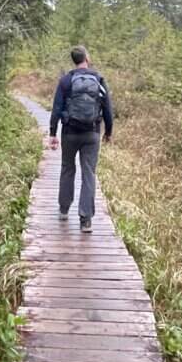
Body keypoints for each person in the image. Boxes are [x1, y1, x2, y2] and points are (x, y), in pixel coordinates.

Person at [48, 45, 113, 233]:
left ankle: (63, 209)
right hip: (92, 133)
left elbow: (57, 108)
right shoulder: (98, 79)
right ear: (86, 57)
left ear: (74, 60)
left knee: (67, 168)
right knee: (88, 173)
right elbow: (107, 108)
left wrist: (52, 133)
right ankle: (85, 220)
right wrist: (108, 132)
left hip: (69, 131)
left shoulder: (66, 81)